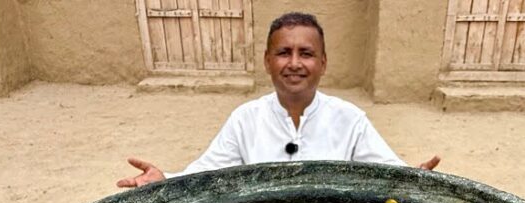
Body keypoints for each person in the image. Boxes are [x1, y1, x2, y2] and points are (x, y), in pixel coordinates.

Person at [117, 12, 439, 188]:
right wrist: (166, 180)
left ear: (323, 63)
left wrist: (417, 179)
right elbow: (207, 172)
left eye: (307, 54)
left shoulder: (348, 119)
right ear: (267, 61)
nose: (295, 63)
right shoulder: (246, 119)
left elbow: (387, 171)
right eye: (284, 53)